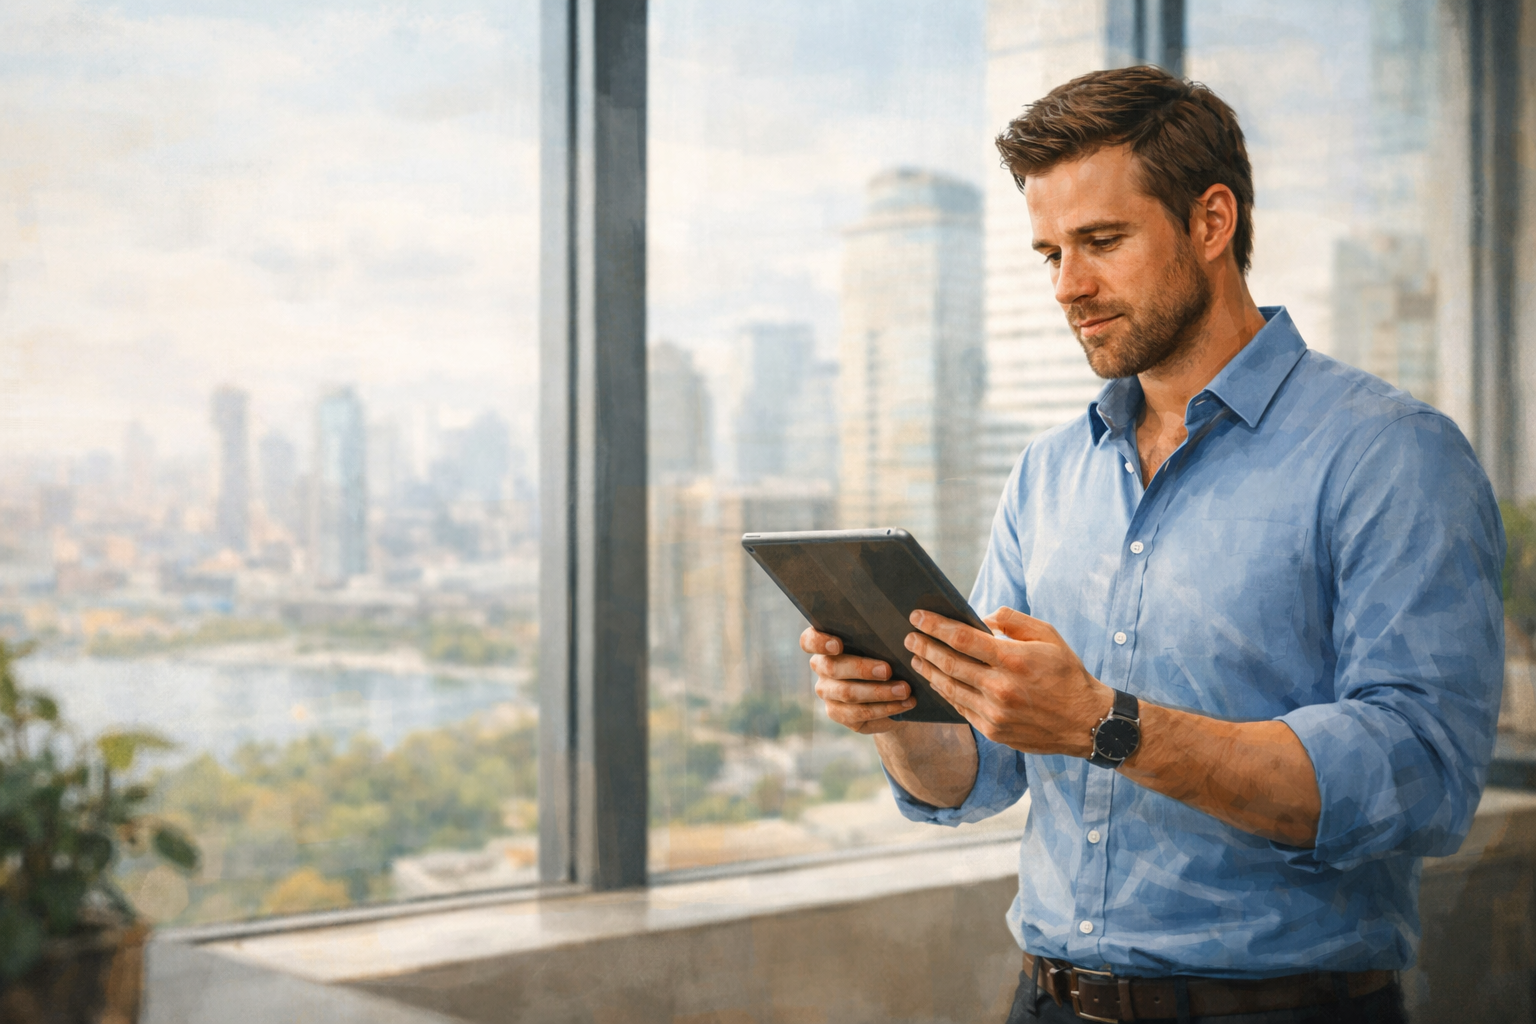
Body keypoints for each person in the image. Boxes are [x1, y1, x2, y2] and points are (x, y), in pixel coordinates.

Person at [803, 65, 1506, 1024]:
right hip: (1048, 1002)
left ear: (1211, 223)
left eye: (1101, 242)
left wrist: (1104, 722)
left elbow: (1421, 774)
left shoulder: (1390, 454)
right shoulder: (1047, 474)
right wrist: (897, 710)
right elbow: (979, 772)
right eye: (1049, 252)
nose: (1069, 287)